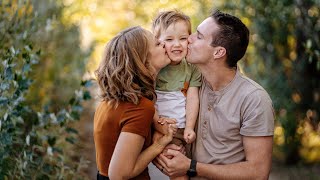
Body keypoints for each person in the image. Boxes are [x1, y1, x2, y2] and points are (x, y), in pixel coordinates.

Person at [154, 10, 275, 179]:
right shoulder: (188, 84)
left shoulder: (254, 99)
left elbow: (258, 173)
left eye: (199, 36)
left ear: (218, 52)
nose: (189, 38)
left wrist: (192, 167)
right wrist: (163, 150)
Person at [93, 26, 177, 180]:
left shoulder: (108, 102)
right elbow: (117, 175)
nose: (164, 44)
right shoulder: (139, 107)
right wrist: (158, 145)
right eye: (157, 44)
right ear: (143, 60)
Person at [150, 10, 202, 180]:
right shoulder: (156, 66)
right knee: (178, 174)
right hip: (161, 126)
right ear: (158, 42)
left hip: (182, 128)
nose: (177, 44)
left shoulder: (192, 68)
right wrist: (158, 127)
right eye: (169, 39)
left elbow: (193, 98)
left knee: (184, 168)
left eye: (182, 38)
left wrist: (189, 126)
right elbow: (148, 97)